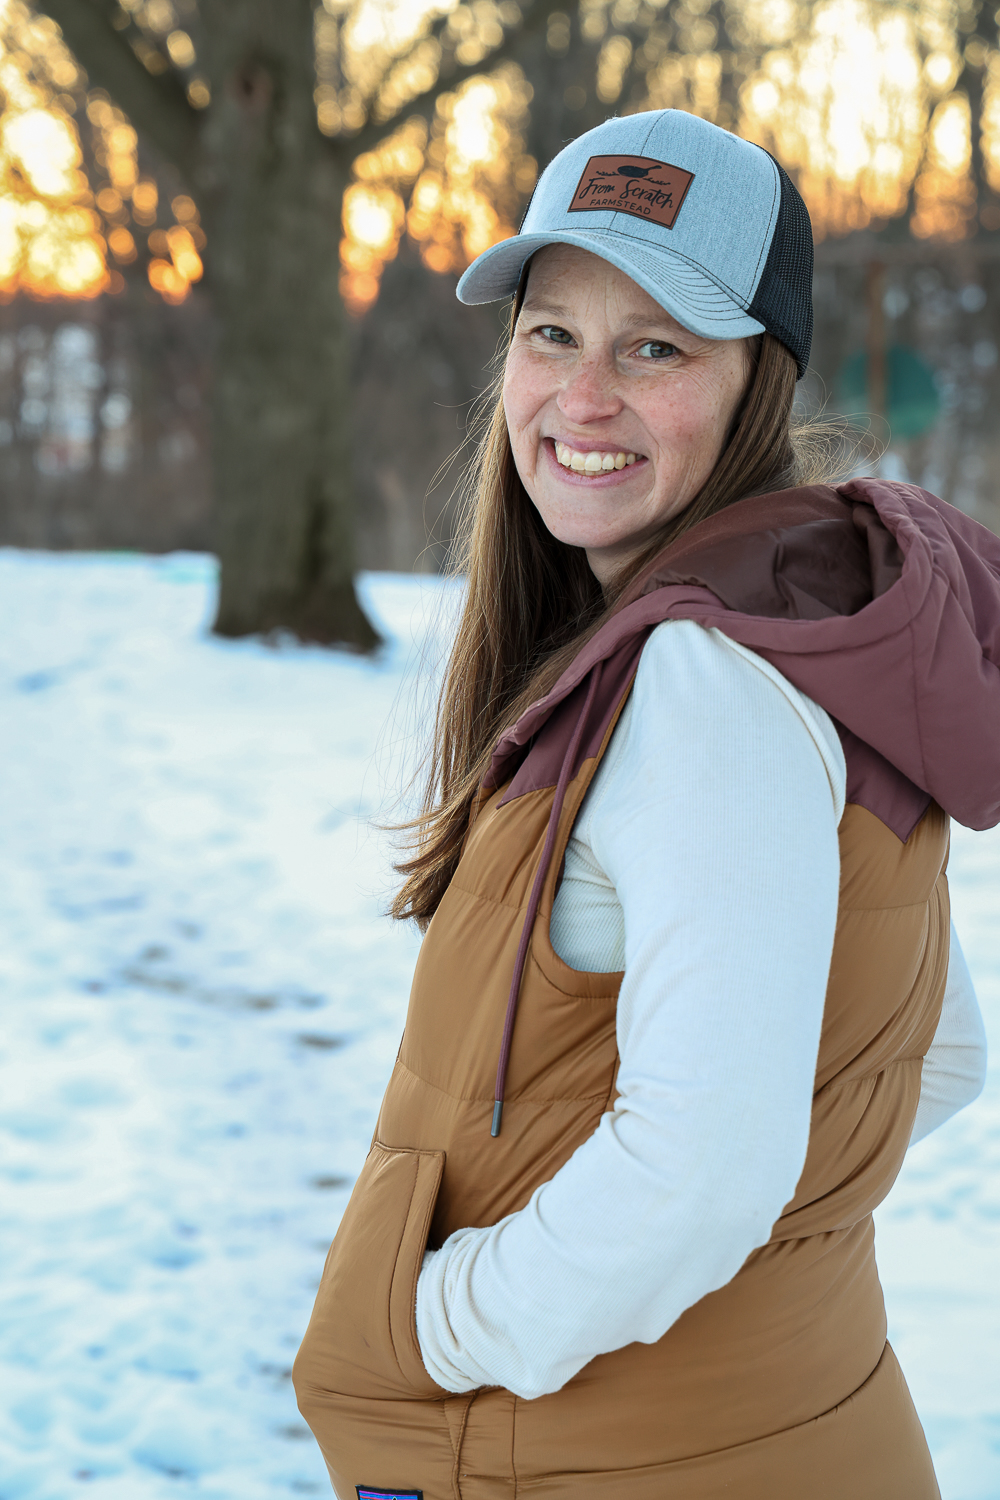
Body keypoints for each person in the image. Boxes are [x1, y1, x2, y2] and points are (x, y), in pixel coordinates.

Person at [293, 109, 997, 1498]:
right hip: (776, 1428)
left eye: (656, 347)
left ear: (759, 386)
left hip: (607, 1455)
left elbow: (707, 1169)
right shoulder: (811, 622)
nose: (583, 395)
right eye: (551, 333)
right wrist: (732, 1278)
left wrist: (432, 1321)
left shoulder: (698, 682)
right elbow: (939, 1055)